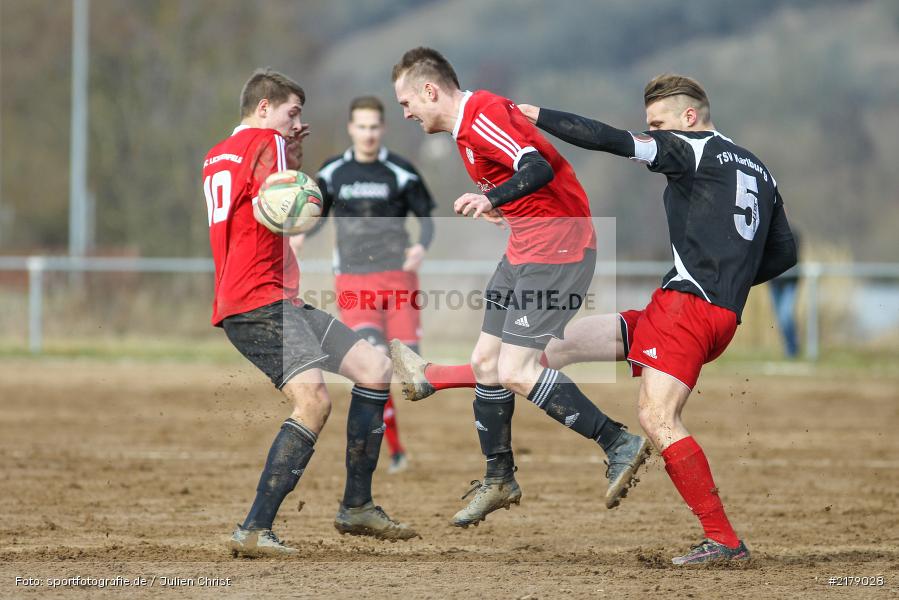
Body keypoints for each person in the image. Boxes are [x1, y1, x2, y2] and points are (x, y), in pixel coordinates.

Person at [392, 73, 797, 564]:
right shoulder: (759, 169)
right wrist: (727, 283)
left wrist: (534, 114)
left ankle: (724, 540)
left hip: (688, 308)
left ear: (689, 117)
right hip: (695, 308)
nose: (654, 133)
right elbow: (782, 254)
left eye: (659, 124)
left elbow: (610, 140)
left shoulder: (691, 148)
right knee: (549, 349)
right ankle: (433, 376)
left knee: (656, 416)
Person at [391, 47, 651, 528]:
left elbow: (537, 168)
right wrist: (502, 208)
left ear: (430, 90)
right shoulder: (466, 131)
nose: (404, 112)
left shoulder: (481, 115)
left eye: (407, 101)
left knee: (515, 368)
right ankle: (499, 478)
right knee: (487, 362)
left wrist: (490, 196)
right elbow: (526, 181)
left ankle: (619, 442)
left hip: (560, 249)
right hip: (525, 248)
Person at [202, 68, 416, 558]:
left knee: (375, 368)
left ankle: (357, 505)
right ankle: (255, 528)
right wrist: (300, 177)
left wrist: (290, 156)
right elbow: (288, 205)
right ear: (263, 107)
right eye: (291, 113)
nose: (297, 123)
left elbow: (264, 198)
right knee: (314, 403)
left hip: (269, 299)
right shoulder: (266, 141)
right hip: (260, 300)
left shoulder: (216, 155)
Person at [291, 96, 436, 475]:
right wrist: (303, 233)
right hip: (354, 283)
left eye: (374, 127)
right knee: (375, 361)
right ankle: (392, 450)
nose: (368, 134)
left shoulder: (401, 172)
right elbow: (317, 214)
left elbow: (427, 220)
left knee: (412, 371)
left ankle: (395, 444)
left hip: (399, 282)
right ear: (351, 128)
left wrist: (421, 246)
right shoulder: (334, 171)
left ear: (382, 129)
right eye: (362, 126)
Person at [769, 230, 801, 358]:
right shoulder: (767, 232)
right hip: (774, 282)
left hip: (789, 281)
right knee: (780, 318)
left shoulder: (793, 233)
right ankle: (789, 348)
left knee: (786, 314)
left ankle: (792, 349)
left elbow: (793, 257)